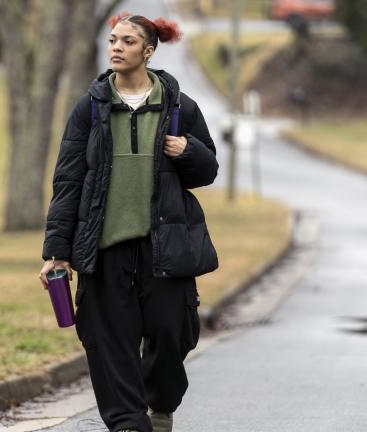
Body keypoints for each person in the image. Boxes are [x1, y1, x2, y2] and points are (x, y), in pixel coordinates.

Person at [39, 12, 219, 432]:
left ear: (149, 51)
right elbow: (68, 180)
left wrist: (187, 150)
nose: (116, 48)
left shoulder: (178, 107)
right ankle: (128, 423)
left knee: (172, 333)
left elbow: (207, 171)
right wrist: (56, 251)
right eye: (113, 40)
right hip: (105, 249)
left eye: (127, 41)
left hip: (164, 247)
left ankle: (159, 406)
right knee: (108, 343)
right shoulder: (90, 108)